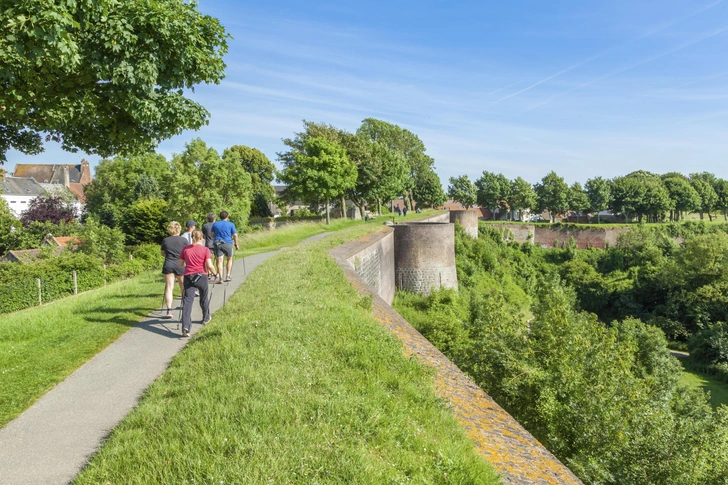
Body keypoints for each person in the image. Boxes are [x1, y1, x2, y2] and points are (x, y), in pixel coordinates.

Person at [178, 230, 216, 337]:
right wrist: (216, 273)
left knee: (187, 301)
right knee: (203, 297)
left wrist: (189, 265)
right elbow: (209, 265)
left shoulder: (185, 249)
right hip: (201, 276)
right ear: (201, 238)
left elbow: (180, 264)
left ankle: (185, 327)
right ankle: (206, 317)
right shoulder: (205, 249)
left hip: (188, 276)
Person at [160, 221, 187, 319]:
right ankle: (185, 305)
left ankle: (169, 310)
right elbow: (187, 253)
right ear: (179, 229)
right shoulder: (184, 240)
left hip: (168, 264)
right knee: (183, 286)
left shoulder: (165, 240)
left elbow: (162, 253)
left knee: (169, 287)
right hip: (180, 264)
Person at [210, 210, 239, 282]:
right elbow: (235, 235)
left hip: (217, 244)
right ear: (227, 216)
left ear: (220, 217)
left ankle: (220, 277)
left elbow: (212, 235)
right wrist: (236, 244)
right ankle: (228, 276)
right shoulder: (231, 224)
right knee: (229, 259)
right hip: (227, 243)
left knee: (219, 261)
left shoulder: (215, 224)